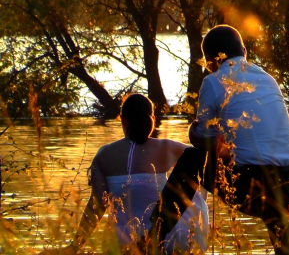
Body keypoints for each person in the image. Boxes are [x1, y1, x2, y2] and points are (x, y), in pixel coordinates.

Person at [148, 25, 289, 255]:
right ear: (243, 50)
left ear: (211, 60)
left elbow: (203, 138)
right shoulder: (268, 79)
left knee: (192, 160)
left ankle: (151, 242)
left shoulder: (214, 81)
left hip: (257, 185)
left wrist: (195, 129)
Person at [66, 94, 209, 254]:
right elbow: (205, 160)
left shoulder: (104, 155)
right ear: (152, 120)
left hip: (121, 244)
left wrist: (75, 246)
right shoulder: (166, 148)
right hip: (164, 241)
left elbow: (96, 206)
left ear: (123, 120)